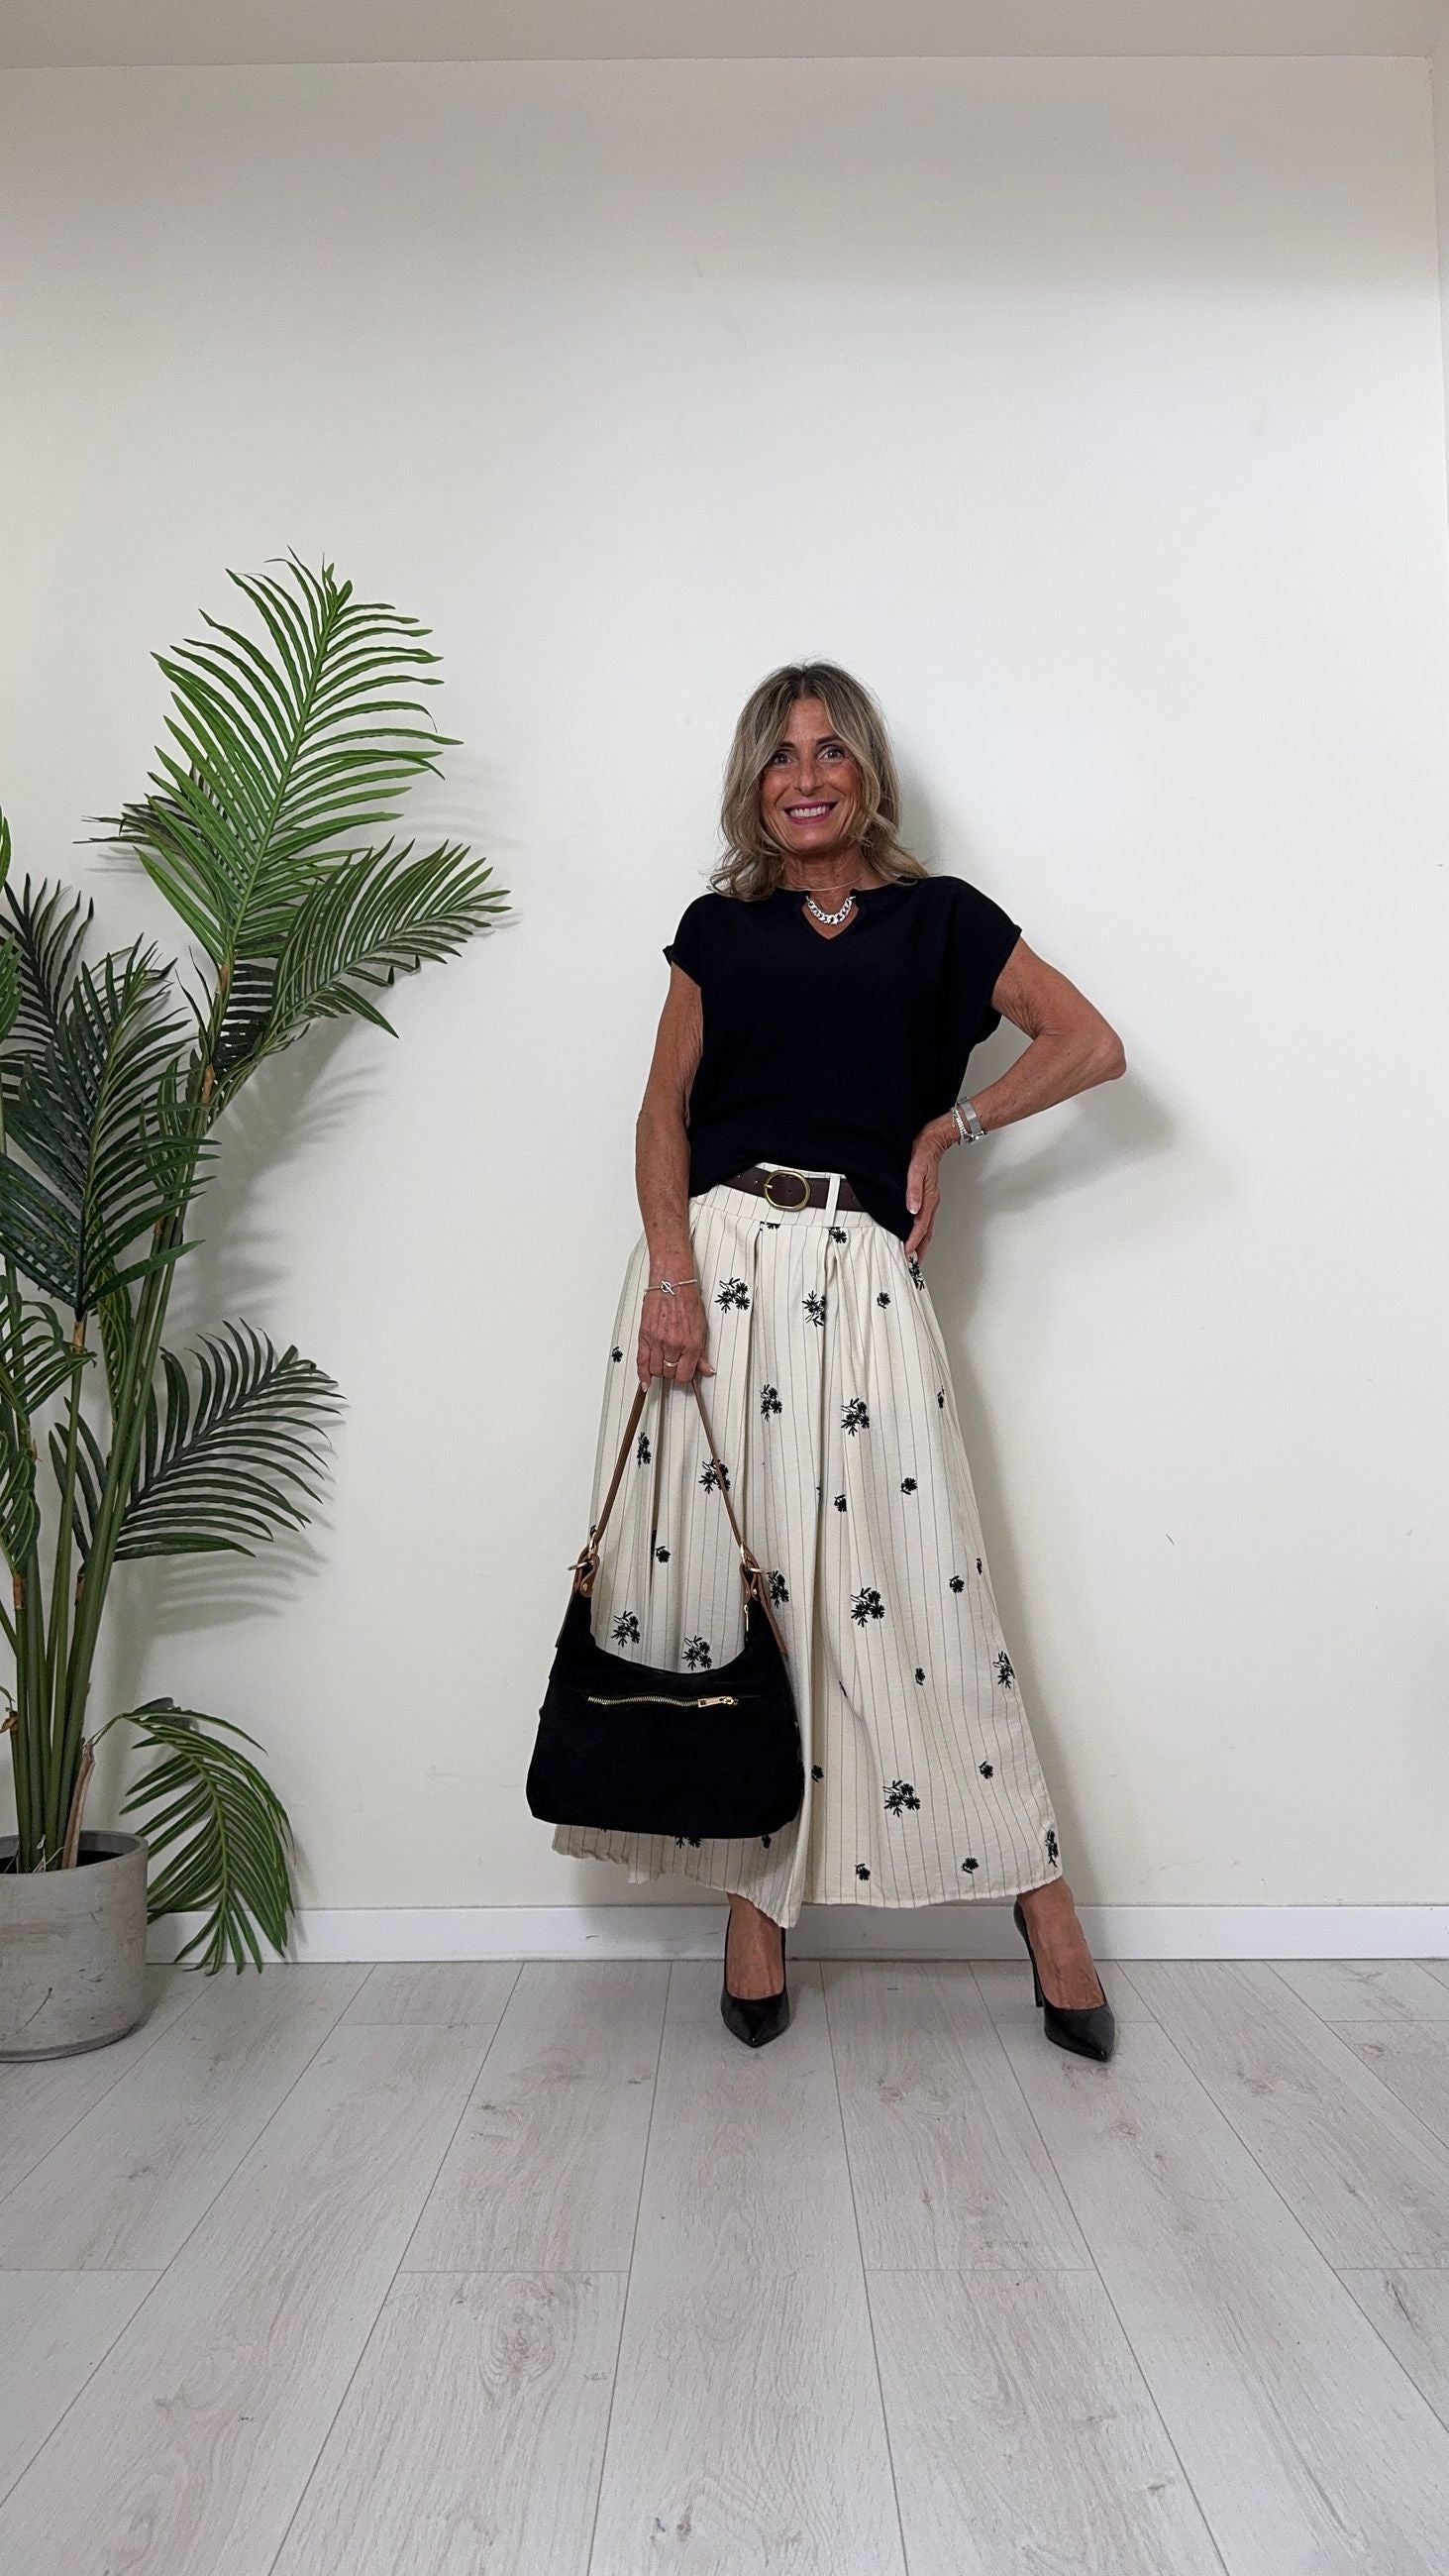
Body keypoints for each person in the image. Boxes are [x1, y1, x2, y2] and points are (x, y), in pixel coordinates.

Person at [552, 662, 1123, 2059]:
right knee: (729, 1596)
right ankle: (755, 1917)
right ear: (753, 784)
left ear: (867, 773)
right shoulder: (718, 929)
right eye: (779, 755)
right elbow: (661, 1109)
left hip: (861, 1279)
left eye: (829, 751)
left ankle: (1044, 1910)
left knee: (925, 1592)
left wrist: (952, 1128)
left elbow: (1090, 1043)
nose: (804, 778)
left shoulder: (944, 921)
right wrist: (670, 1273)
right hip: (713, 1272)